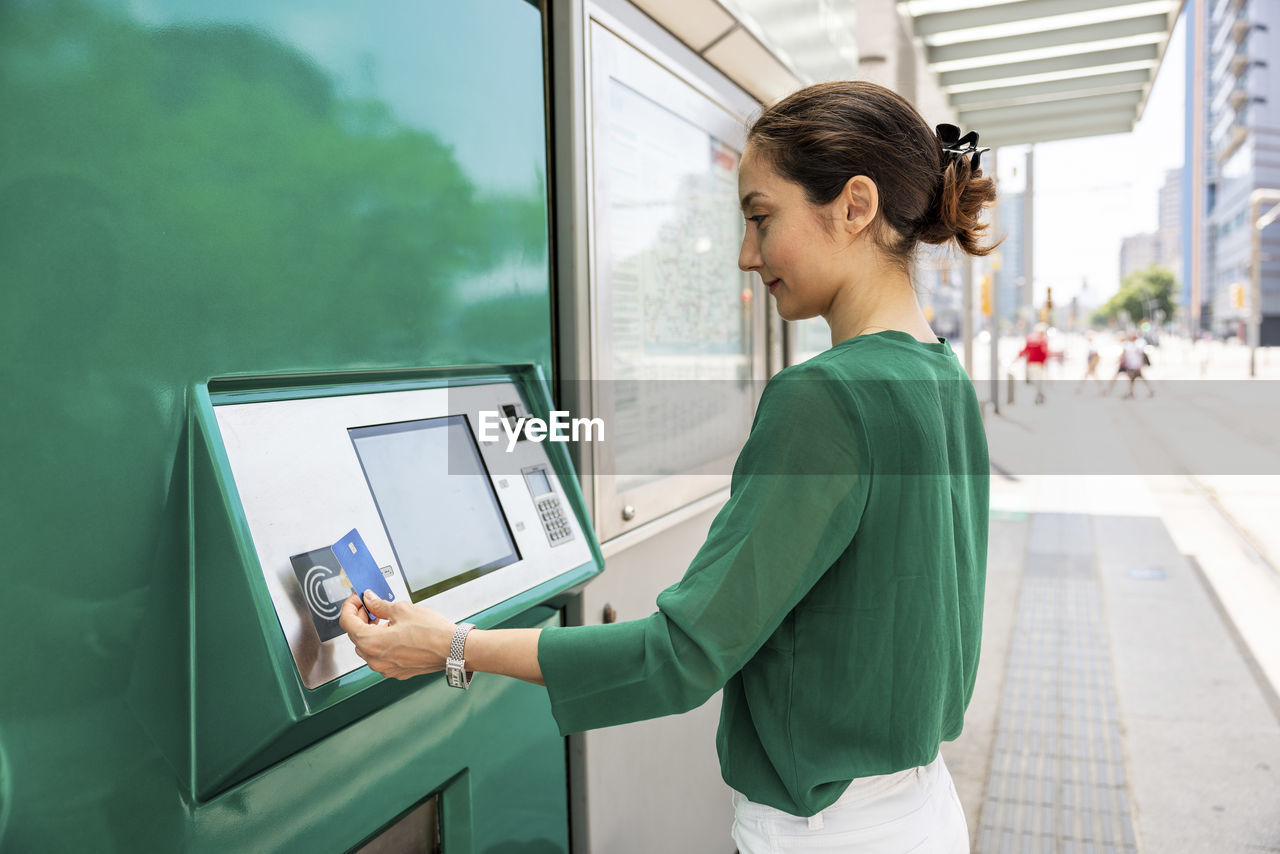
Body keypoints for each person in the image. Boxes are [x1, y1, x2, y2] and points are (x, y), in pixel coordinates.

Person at [340, 81, 994, 853]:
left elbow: (681, 658)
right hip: (920, 811)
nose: (748, 255)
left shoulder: (825, 397)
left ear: (855, 206)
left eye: (760, 218)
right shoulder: (940, 377)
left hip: (830, 833)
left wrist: (453, 646)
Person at [1105, 332, 1154, 399]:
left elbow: (1141, 356)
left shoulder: (1138, 344)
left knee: (1136, 379)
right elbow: (1125, 355)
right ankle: (1133, 392)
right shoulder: (1129, 345)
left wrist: (1140, 365)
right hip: (1132, 365)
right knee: (1133, 379)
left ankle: (1135, 392)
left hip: (1136, 365)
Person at [1016, 323, 1050, 404]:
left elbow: (1025, 349)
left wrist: (1018, 357)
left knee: (1035, 381)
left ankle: (1039, 394)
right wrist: (1044, 362)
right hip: (1038, 363)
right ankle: (1040, 394)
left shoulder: (1030, 337)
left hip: (1031, 362)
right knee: (1039, 381)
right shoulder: (1043, 339)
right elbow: (1044, 352)